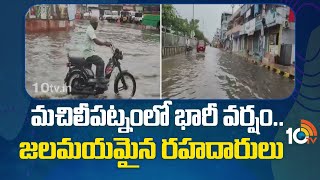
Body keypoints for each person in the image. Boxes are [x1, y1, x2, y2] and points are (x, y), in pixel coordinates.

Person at [83, 16, 112, 88]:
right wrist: (105, 44)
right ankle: (100, 80)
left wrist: (105, 42)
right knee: (100, 62)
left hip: (89, 52)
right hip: (88, 53)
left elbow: (95, 39)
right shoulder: (90, 30)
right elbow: (96, 41)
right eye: (97, 23)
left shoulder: (90, 29)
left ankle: (92, 86)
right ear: (94, 23)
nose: (97, 25)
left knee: (89, 72)